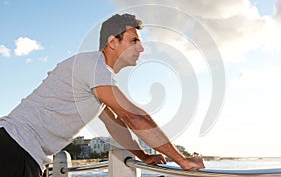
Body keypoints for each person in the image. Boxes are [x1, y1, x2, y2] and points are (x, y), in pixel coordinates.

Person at [0, 13, 205, 177]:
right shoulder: (94, 66)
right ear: (112, 42)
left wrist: (142, 155)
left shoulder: (95, 77)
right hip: (15, 151)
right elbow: (133, 116)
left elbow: (114, 124)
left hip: (21, 151)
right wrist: (182, 160)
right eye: (134, 40)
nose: (141, 48)